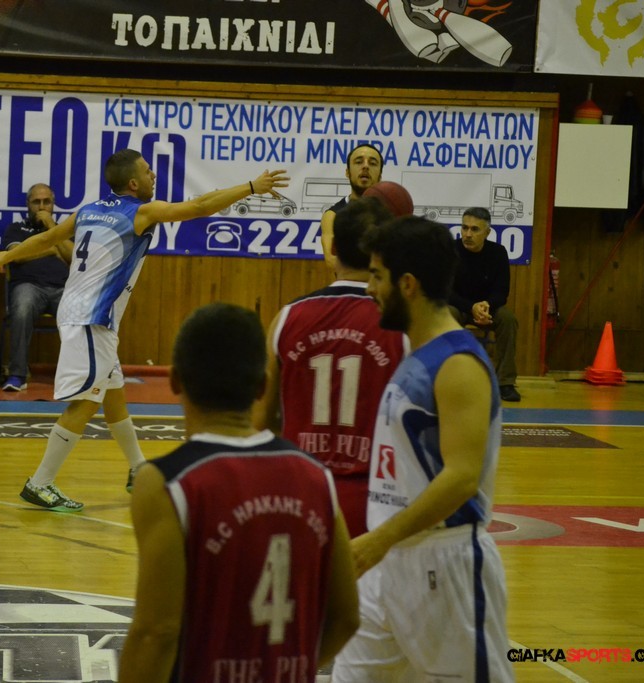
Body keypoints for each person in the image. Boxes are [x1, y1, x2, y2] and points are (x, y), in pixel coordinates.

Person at [0, 149, 288, 511]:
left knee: (113, 395)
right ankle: (40, 482)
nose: (153, 176)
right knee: (87, 401)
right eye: (148, 171)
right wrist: (251, 187)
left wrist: (7, 256)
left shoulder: (87, 210)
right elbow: (200, 207)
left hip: (83, 314)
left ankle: (138, 468)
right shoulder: (140, 212)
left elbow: (48, 238)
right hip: (90, 318)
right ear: (133, 183)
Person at [119, 303, 359, 683]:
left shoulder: (166, 482)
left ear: (175, 381)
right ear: (263, 385)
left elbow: (156, 633)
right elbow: (346, 617)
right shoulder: (316, 476)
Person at [332, 216, 514, 683]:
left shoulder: (458, 364)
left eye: (377, 276)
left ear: (408, 284)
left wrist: (379, 539)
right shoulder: (415, 353)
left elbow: (462, 478)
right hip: (389, 565)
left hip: (446, 567)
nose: (370, 288)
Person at [255, 198, 406, 538]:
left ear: (333, 247)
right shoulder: (402, 325)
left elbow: (261, 421)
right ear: (384, 251)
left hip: (301, 494)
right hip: (376, 502)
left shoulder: (287, 318)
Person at [0, 183, 71, 392]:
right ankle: (17, 375)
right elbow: (16, 256)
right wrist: (51, 250)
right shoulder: (17, 229)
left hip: (63, 288)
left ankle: (77, 376)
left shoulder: (64, 230)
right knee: (22, 309)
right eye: (36, 202)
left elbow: (73, 256)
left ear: (53, 204)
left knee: (80, 311)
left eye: (46, 202)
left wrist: (51, 227)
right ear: (27, 204)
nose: (41, 207)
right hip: (28, 286)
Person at [448, 206, 521, 402]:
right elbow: (445, 291)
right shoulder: (451, 250)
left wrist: (486, 306)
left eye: (474, 229)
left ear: (487, 233)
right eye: (464, 228)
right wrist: (471, 308)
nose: (468, 234)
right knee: (446, 314)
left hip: (488, 308)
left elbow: (502, 291)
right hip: (460, 307)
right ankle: (448, 376)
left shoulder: (498, 253)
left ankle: (505, 382)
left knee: (508, 319)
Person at [319, 144, 383, 270]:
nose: (365, 166)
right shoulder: (333, 216)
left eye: (372, 163)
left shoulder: (389, 212)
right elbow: (331, 260)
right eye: (359, 162)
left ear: (380, 176)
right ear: (347, 172)